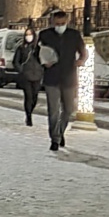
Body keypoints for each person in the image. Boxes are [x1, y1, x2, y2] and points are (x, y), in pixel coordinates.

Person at [37, 8, 86, 152]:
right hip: (51, 77)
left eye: (62, 23)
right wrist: (43, 62)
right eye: (57, 23)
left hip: (69, 77)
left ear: (67, 21)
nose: (60, 26)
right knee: (53, 110)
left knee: (68, 109)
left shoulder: (74, 35)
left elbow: (83, 52)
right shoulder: (45, 35)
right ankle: (55, 139)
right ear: (53, 22)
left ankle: (60, 132)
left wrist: (81, 60)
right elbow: (36, 53)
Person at [12, 24, 44, 126]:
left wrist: (42, 70)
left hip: (37, 75)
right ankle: (28, 116)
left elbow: (43, 59)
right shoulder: (21, 48)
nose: (28, 36)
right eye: (27, 34)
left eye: (30, 34)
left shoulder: (38, 48)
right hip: (26, 76)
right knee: (28, 97)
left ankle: (30, 110)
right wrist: (21, 70)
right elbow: (15, 61)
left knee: (35, 97)